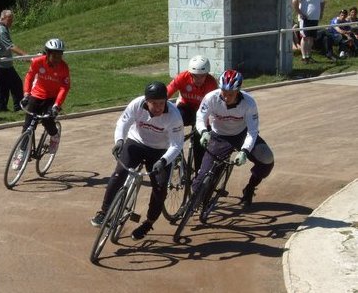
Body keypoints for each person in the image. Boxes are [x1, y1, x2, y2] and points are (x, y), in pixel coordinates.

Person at [91, 81, 184, 240]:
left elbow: (177, 144)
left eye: (161, 103)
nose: (158, 107)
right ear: (146, 101)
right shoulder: (137, 104)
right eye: (154, 103)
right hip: (136, 142)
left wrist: (163, 161)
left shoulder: (174, 116)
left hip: (161, 151)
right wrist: (119, 141)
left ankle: (148, 223)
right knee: (119, 173)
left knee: (160, 188)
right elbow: (123, 123)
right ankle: (105, 211)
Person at [193, 69, 274, 207]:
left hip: (242, 135)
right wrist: (204, 131)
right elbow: (200, 117)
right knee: (202, 179)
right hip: (219, 136)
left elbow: (253, 131)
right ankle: (200, 197)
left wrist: (244, 151)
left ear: (238, 91)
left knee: (267, 159)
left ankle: (249, 188)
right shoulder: (211, 97)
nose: (226, 97)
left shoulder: (249, 103)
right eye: (223, 92)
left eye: (230, 94)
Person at [12, 38, 70, 170]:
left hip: (52, 98)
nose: (57, 58)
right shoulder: (38, 62)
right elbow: (29, 77)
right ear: (47, 53)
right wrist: (26, 94)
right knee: (27, 126)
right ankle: (21, 153)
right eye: (54, 55)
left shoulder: (63, 67)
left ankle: (54, 136)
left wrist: (57, 105)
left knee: (48, 120)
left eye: (60, 55)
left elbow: (64, 88)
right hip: (36, 95)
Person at [166, 55, 218, 174]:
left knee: (200, 143)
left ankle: (199, 175)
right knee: (171, 123)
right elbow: (167, 92)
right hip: (185, 108)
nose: (199, 79)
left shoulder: (211, 84)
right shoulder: (182, 77)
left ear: (207, 74)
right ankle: (174, 152)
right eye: (195, 76)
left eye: (202, 76)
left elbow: (215, 107)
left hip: (202, 113)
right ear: (190, 74)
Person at [0, 9, 28, 112]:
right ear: (2, 18)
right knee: (15, 84)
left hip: (3, 63)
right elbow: (10, 46)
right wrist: (25, 55)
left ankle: (3, 108)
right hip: (3, 63)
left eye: (12, 20)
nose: (11, 22)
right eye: (10, 20)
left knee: (4, 86)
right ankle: (17, 106)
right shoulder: (1, 30)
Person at [292, 0, 325, 64]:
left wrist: (321, 13)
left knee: (311, 38)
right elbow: (294, 0)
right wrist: (300, 13)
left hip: (315, 18)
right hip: (305, 18)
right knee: (305, 37)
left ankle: (308, 55)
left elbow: (322, 2)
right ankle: (304, 57)